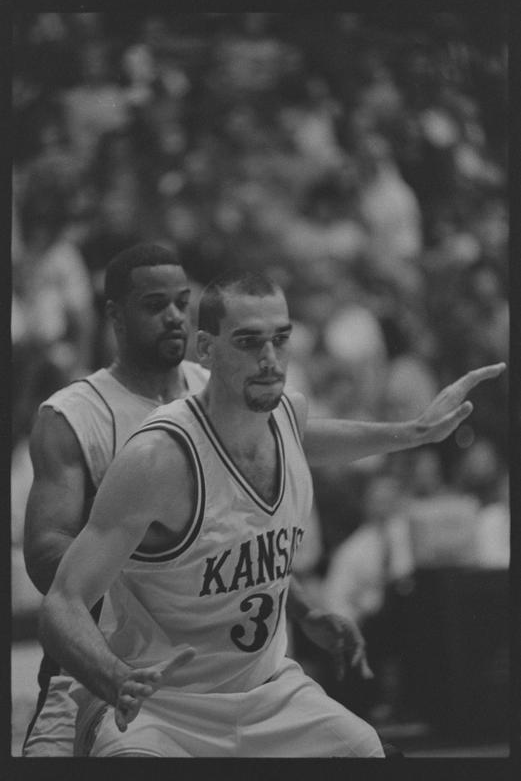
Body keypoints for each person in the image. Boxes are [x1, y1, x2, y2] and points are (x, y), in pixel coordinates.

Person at [39, 269, 505, 757]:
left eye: (280, 339)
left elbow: (311, 437)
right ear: (206, 349)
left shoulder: (286, 417)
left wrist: (415, 432)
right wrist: (114, 677)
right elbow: (61, 604)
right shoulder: (158, 458)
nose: (269, 358)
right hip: (160, 705)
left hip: (268, 694)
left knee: (370, 750)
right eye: (248, 341)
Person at [22, 243, 209, 756]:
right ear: (115, 316)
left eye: (182, 302)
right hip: (94, 660)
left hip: (207, 654)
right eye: (155, 305)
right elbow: (44, 555)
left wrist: (305, 609)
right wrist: (163, 576)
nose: (175, 317)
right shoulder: (71, 415)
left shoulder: (217, 395)